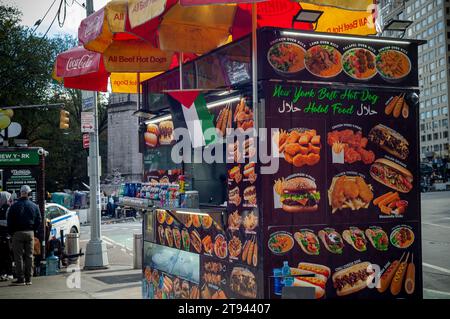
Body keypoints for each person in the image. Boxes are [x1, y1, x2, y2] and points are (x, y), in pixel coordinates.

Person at [7, 185, 41, 285]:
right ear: (29, 194)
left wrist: (12, 232)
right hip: (30, 232)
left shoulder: (14, 206)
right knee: (30, 256)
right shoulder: (34, 206)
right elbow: (38, 220)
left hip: (17, 233)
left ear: (20, 193)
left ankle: (20, 279)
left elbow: (10, 221)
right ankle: (29, 279)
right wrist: (33, 229)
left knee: (18, 257)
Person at [0, 192, 13, 281]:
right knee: (7, 254)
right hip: (7, 235)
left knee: (5, 255)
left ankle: (5, 272)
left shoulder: (6, 208)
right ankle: (8, 273)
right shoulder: (8, 208)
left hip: (4, 235)